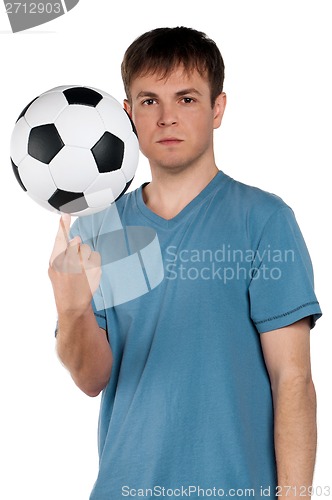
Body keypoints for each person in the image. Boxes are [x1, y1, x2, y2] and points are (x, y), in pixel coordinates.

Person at [48, 27, 322, 499]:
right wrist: (72, 311)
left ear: (217, 109)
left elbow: (292, 379)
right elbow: (92, 380)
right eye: (150, 101)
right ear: (129, 115)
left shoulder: (264, 221)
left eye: (187, 99)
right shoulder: (99, 229)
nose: (167, 118)